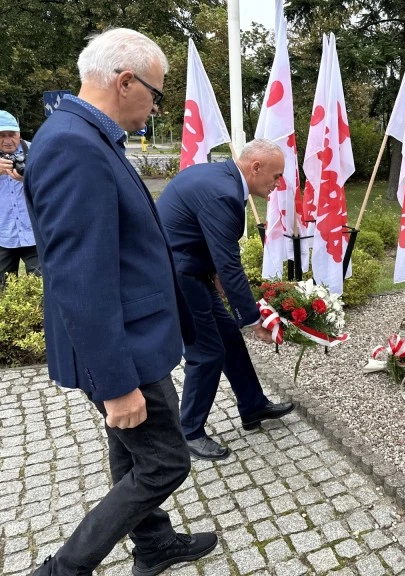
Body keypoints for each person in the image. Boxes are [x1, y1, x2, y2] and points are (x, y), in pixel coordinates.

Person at [24, 28, 217, 576]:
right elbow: (79, 278)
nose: (156, 107)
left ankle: (153, 545)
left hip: (131, 337)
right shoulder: (72, 145)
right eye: (156, 93)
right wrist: (116, 384)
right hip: (121, 349)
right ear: (125, 81)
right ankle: (63, 569)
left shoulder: (86, 136)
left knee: (130, 451)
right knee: (163, 463)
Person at [156, 138, 294, 461]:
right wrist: (254, 318)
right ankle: (188, 431)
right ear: (255, 167)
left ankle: (252, 405)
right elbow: (229, 264)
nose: (279, 183)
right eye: (276, 176)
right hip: (177, 275)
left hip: (189, 267)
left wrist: (227, 291)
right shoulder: (225, 193)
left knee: (228, 337)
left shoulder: (225, 181)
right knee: (207, 351)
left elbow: (216, 251)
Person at [0, 110, 40, 287]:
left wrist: (27, 178)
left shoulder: (36, 151)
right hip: (3, 235)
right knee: (4, 290)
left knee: (42, 287)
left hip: (34, 232)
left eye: (12, 135)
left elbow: (56, 184)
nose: (8, 141)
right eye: (1, 135)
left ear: (19, 134)